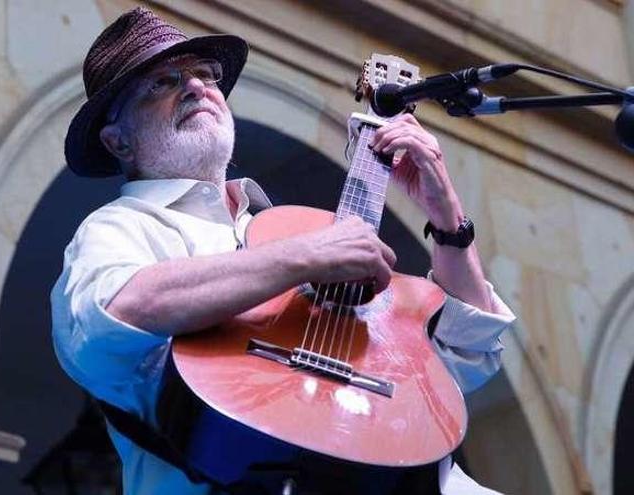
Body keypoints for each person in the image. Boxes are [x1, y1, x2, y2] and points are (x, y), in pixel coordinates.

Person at [52, 6, 515, 495]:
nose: (196, 87)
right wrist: (304, 256)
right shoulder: (122, 227)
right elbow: (106, 318)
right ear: (117, 140)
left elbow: (464, 357)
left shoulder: (294, 234)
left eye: (206, 74)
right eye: (161, 82)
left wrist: (447, 218)